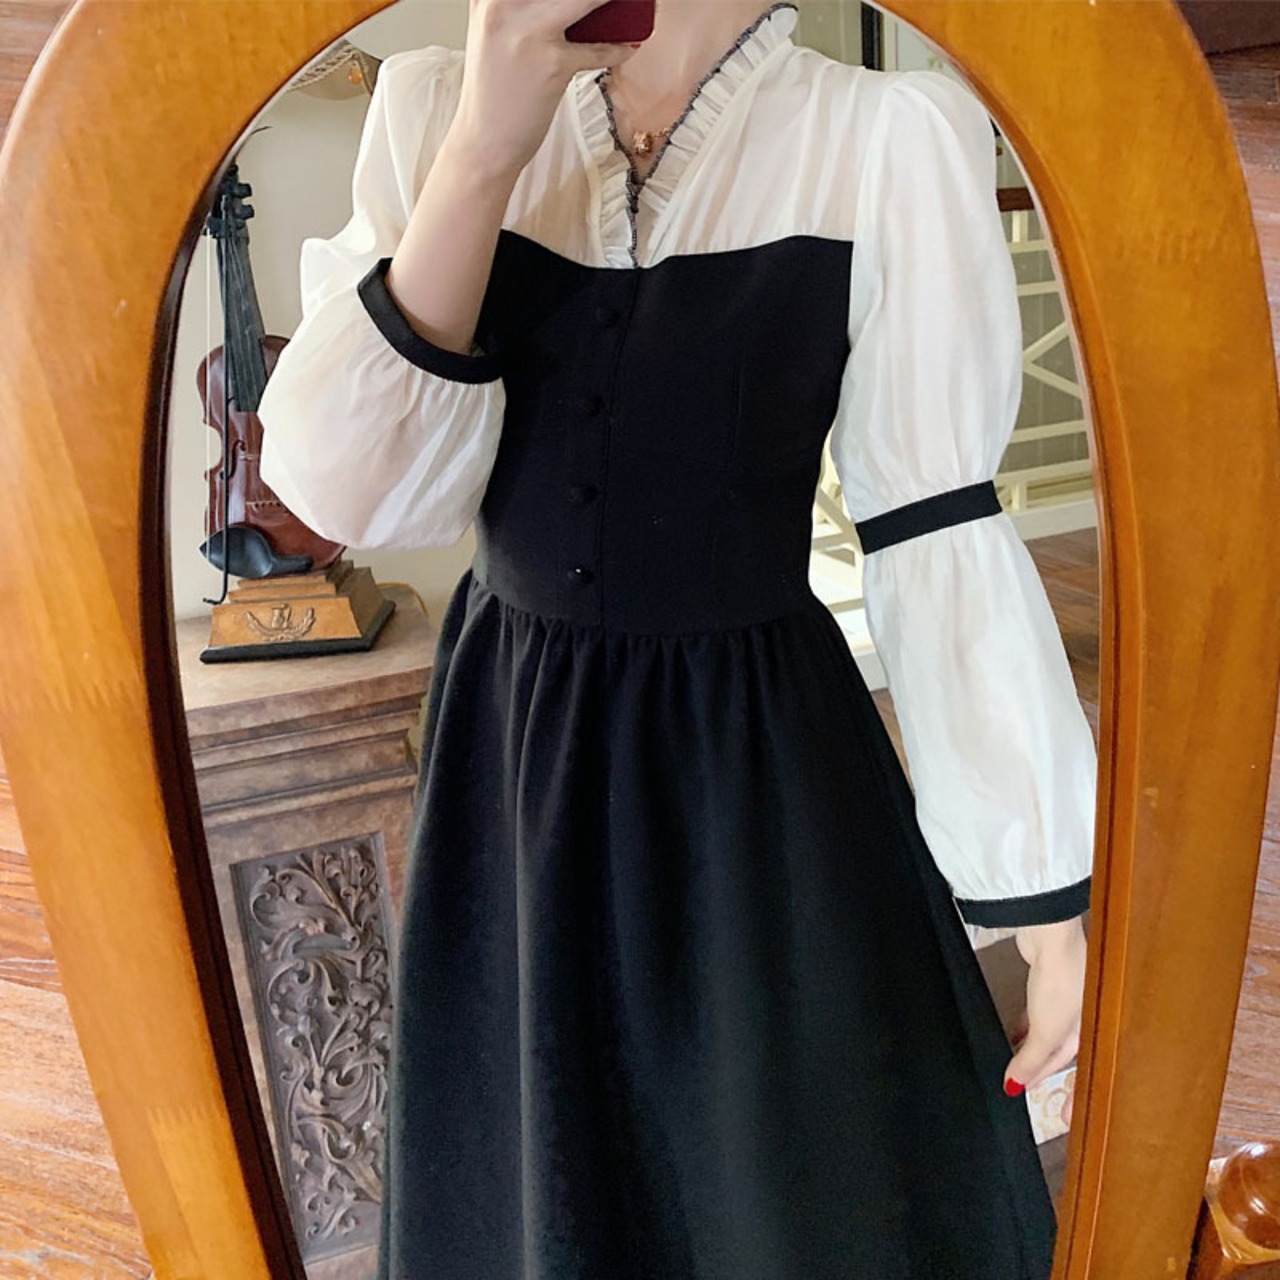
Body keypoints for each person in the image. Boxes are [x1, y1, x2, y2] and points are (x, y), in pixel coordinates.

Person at [256, 0, 1097, 1274]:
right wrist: (485, 145)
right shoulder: (434, 107)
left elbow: (931, 526)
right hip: (515, 760)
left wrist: (1041, 900)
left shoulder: (880, 137)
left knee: (785, 1187)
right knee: (542, 1180)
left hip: (755, 762)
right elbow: (351, 496)